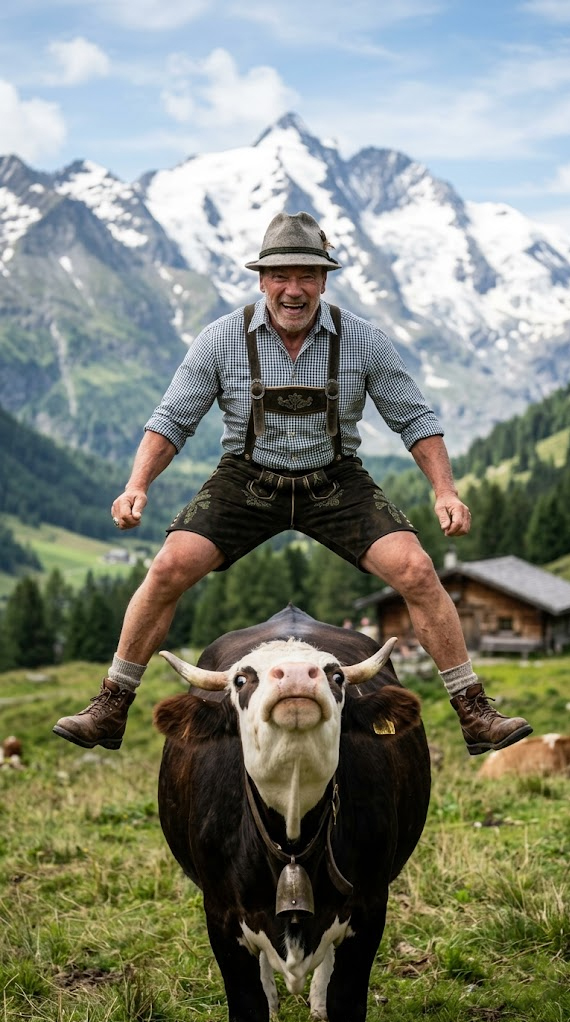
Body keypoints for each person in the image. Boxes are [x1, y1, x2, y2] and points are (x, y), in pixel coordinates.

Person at [53, 211, 532, 757]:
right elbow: (171, 421)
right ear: (262, 281)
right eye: (281, 276)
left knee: (418, 570)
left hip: (335, 482)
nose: (293, 289)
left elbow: (416, 421)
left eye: (307, 275)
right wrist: (136, 484)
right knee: (164, 569)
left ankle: (474, 712)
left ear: (324, 281)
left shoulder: (362, 340)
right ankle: (111, 707)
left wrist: (445, 491)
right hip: (246, 481)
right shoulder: (221, 339)